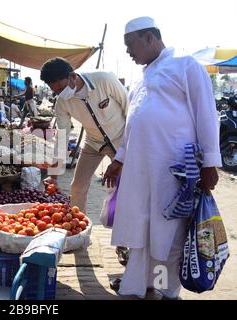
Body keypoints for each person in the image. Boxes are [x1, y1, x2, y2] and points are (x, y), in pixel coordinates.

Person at [102, 17, 221, 299]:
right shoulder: (142, 79)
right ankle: (138, 284)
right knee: (141, 231)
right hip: (139, 171)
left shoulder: (185, 65)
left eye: (131, 45)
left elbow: (206, 112)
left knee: (167, 234)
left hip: (173, 171)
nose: (129, 52)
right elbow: (133, 125)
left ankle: (165, 289)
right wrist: (119, 160)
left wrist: (210, 164)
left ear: (150, 38)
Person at [40, 57, 129, 215]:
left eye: (61, 89)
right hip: (93, 144)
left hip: (120, 142)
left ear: (73, 76)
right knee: (77, 187)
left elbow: (129, 109)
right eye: (55, 91)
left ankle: (127, 232)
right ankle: (78, 227)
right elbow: (62, 138)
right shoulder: (62, 103)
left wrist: (123, 154)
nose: (60, 94)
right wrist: (53, 175)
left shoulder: (104, 79)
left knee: (126, 188)